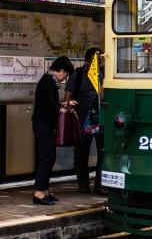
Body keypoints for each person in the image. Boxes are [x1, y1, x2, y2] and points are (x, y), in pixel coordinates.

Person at [32, 56, 74, 205]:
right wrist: (63, 106)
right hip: (43, 124)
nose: (65, 78)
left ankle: (44, 190)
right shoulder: (48, 82)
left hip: (44, 124)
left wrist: (64, 104)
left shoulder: (48, 81)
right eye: (66, 74)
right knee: (47, 157)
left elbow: (50, 104)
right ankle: (38, 193)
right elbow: (50, 105)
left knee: (49, 157)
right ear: (61, 70)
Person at [64, 47, 104, 193]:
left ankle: (100, 184)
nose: (98, 63)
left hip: (101, 119)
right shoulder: (78, 74)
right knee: (81, 152)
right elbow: (67, 96)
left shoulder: (104, 74)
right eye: (96, 60)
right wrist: (68, 107)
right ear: (87, 61)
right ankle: (83, 183)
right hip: (83, 119)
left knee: (103, 152)